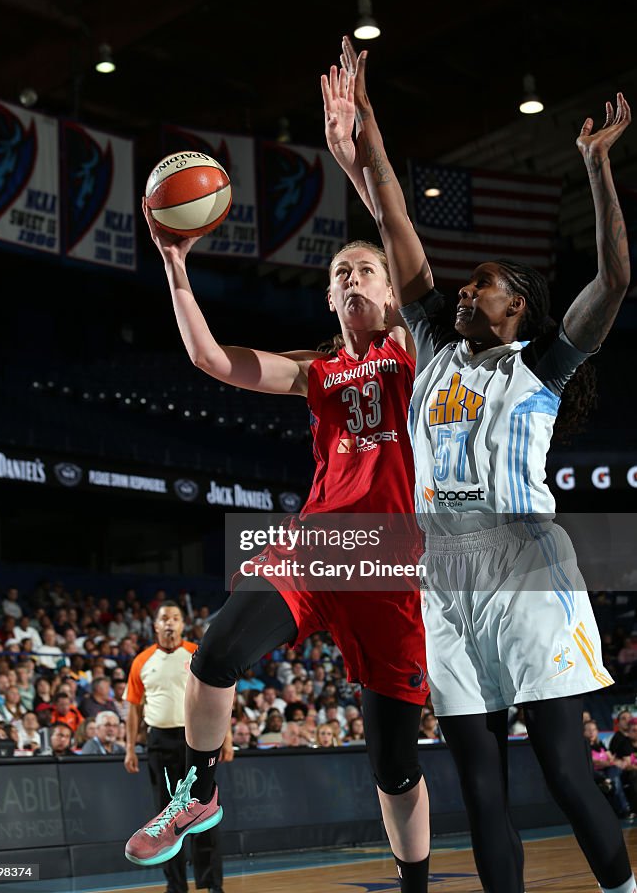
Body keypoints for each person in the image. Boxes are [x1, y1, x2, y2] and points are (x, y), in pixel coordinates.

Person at [330, 35, 635, 893]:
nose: (465, 290)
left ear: (522, 309)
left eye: (485, 285)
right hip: (444, 574)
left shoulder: (541, 365)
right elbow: (394, 219)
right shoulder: (429, 340)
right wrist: (367, 128)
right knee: (479, 788)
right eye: (464, 284)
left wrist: (594, 167)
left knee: (563, 770)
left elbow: (613, 278)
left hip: (527, 566)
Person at [125, 194, 431, 892]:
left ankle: (413, 885)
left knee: (393, 765)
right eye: (341, 274)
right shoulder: (315, 372)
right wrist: (175, 266)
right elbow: (210, 359)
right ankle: (197, 796)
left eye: (365, 270)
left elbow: (407, 262)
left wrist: (362, 170)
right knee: (215, 654)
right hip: (314, 551)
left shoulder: (413, 352)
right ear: (328, 297)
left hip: (390, 570)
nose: (353, 279)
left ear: (389, 291)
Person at [124, 602, 228, 893]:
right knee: (164, 817)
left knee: (202, 812)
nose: (169, 623)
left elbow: (216, 700)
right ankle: (176, 887)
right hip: (159, 742)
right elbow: (133, 708)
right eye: (164, 618)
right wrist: (130, 748)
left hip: (195, 741)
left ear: (183, 624)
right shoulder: (142, 661)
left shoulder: (197, 653)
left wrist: (226, 740)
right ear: (155, 625)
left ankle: (211, 885)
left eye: (175, 618)